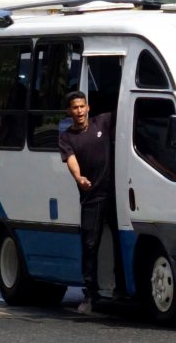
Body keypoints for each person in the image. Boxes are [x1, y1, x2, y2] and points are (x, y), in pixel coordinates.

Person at [59, 90, 117, 315]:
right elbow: (71, 160)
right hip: (92, 197)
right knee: (90, 245)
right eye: (75, 108)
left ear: (88, 108)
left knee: (120, 242)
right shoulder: (67, 137)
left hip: (114, 195)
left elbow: (127, 111)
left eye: (82, 106)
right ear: (69, 111)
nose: (79, 111)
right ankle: (90, 294)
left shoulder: (101, 122)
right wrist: (79, 178)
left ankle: (122, 289)